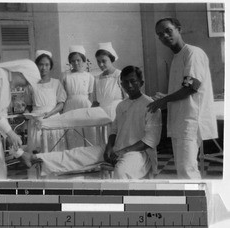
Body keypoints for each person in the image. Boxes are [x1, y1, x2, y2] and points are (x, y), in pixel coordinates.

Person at [18, 65, 162, 179]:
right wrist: (109, 147)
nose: (129, 85)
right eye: (125, 82)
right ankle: (34, 157)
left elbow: (150, 140)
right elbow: (114, 131)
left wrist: (123, 151)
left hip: (139, 153)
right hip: (118, 148)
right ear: (121, 84)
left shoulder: (151, 105)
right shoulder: (121, 106)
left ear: (141, 83)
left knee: (121, 171)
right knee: (78, 154)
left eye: (133, 81)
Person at [147, 18, 218, 179]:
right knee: (183, 169)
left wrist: (164, 100)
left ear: (179, 29)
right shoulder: (177, 57)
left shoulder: (192, 53)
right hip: (181, 120)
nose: (164, 36)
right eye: (160, 34)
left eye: (168, 30)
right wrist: (166, 97)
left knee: (187, 170)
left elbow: (191, 87)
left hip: (190, 120)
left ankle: (197, 203)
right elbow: (185, 88)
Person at [25, 50, 67, 153]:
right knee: (37, 149)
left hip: (53, 118)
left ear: (50, 66)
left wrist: (50, 113)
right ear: (36, 66)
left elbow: (61, 104)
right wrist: (27, 114)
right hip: (37, 121)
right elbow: (28, 106)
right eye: (41, 65)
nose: (43, 68)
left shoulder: (56, 83)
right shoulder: (31, 85)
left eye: (47, 65)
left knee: (54, 148)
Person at [62, 45, 96, 148]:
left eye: (78, 60)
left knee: (87, 131)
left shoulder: (89, 76)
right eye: (73, 61)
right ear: (70, 62)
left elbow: (90, 95)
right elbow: (63, 95)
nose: (76, 63)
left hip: (84, 105)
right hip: (70, 105)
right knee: (71, 131)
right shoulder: (66, 76)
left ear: (83, 60)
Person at [93, 42, 124, 123]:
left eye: (104, 61)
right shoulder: (97, 79)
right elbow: (95, 102)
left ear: (111, 59)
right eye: (98, 61)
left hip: (117, 114)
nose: (101, 64)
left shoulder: (119, 75)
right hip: (101, 116)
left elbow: (127, 99)